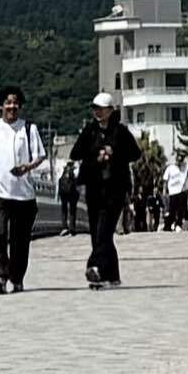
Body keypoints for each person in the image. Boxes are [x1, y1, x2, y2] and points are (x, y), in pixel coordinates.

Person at [0, 87, 48, 294]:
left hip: (23, 195)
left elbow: (40, 156)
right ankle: (0, 274)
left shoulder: (29, 129)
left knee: (20, 241)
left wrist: (28, 167)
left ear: (20, 106)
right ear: (0, 106)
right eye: (8, 102)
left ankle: (16, 277)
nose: (12, 106)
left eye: (15, 103)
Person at [64, 97, 141, 288]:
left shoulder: (121, 131)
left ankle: (95, 267)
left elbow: (135, 154)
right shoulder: (89, 131)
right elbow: (75, 153)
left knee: (105, 231)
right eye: (95, 108)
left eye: (101, 109)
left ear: (110, 110)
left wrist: (114, 151)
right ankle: (112, 275)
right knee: (96, 232)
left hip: (115, 188)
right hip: (94, 187)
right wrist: (96, 153)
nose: (97, 112)